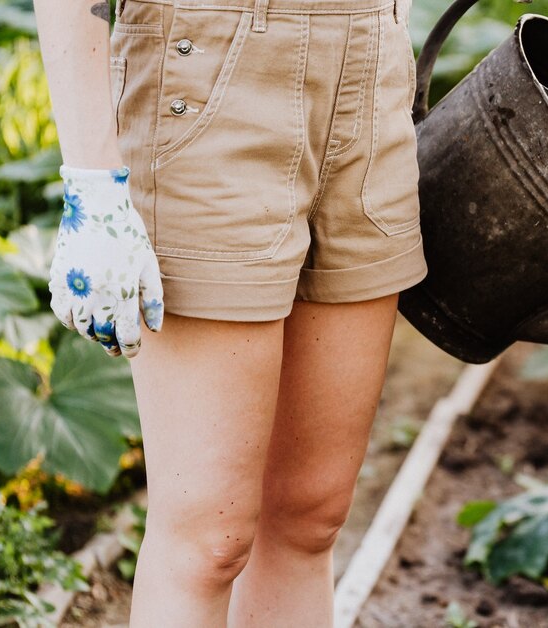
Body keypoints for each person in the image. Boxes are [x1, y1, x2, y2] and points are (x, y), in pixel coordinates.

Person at [33, 0, 426, 624]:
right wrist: (91, 184)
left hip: (373, 61)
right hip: (208, 67)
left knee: (311, 515)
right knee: (207, 542)